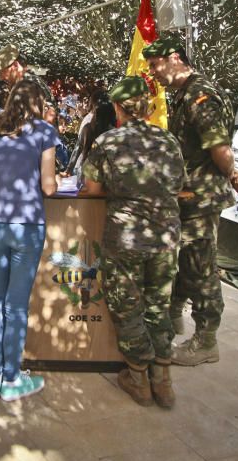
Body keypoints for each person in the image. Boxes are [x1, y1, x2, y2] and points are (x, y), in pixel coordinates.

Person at [80, 76, 187, 408]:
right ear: (148, 107)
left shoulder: (108, 142)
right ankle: (163, 380)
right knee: (160, 305)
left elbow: (93, 190)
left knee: (128, 306)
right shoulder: (169, 141)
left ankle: (138, 377)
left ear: (117, 108)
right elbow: (179, 184)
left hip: (125, 238)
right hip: (166, 237)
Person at [144, 35, 238, 366]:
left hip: (201, 199)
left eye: (156, 65)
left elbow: (218, 147)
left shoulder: (199, 96)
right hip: (186, 197)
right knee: (183, 262)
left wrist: (233, 173)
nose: (153, 73)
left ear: (175, 58)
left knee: (201, 268)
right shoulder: (183, 94)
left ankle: (206, 341)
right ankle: (175, 317)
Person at [0, 80, 59, 400]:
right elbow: (50, 187)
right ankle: (12, 379)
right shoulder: (43, 131)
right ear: (37, 102)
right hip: (26, 224)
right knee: (17, 304)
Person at [43, 103, 70, 172]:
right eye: (61, 124)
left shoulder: (63, 140)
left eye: (65, 124)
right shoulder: (53, 142)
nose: (64, 126)